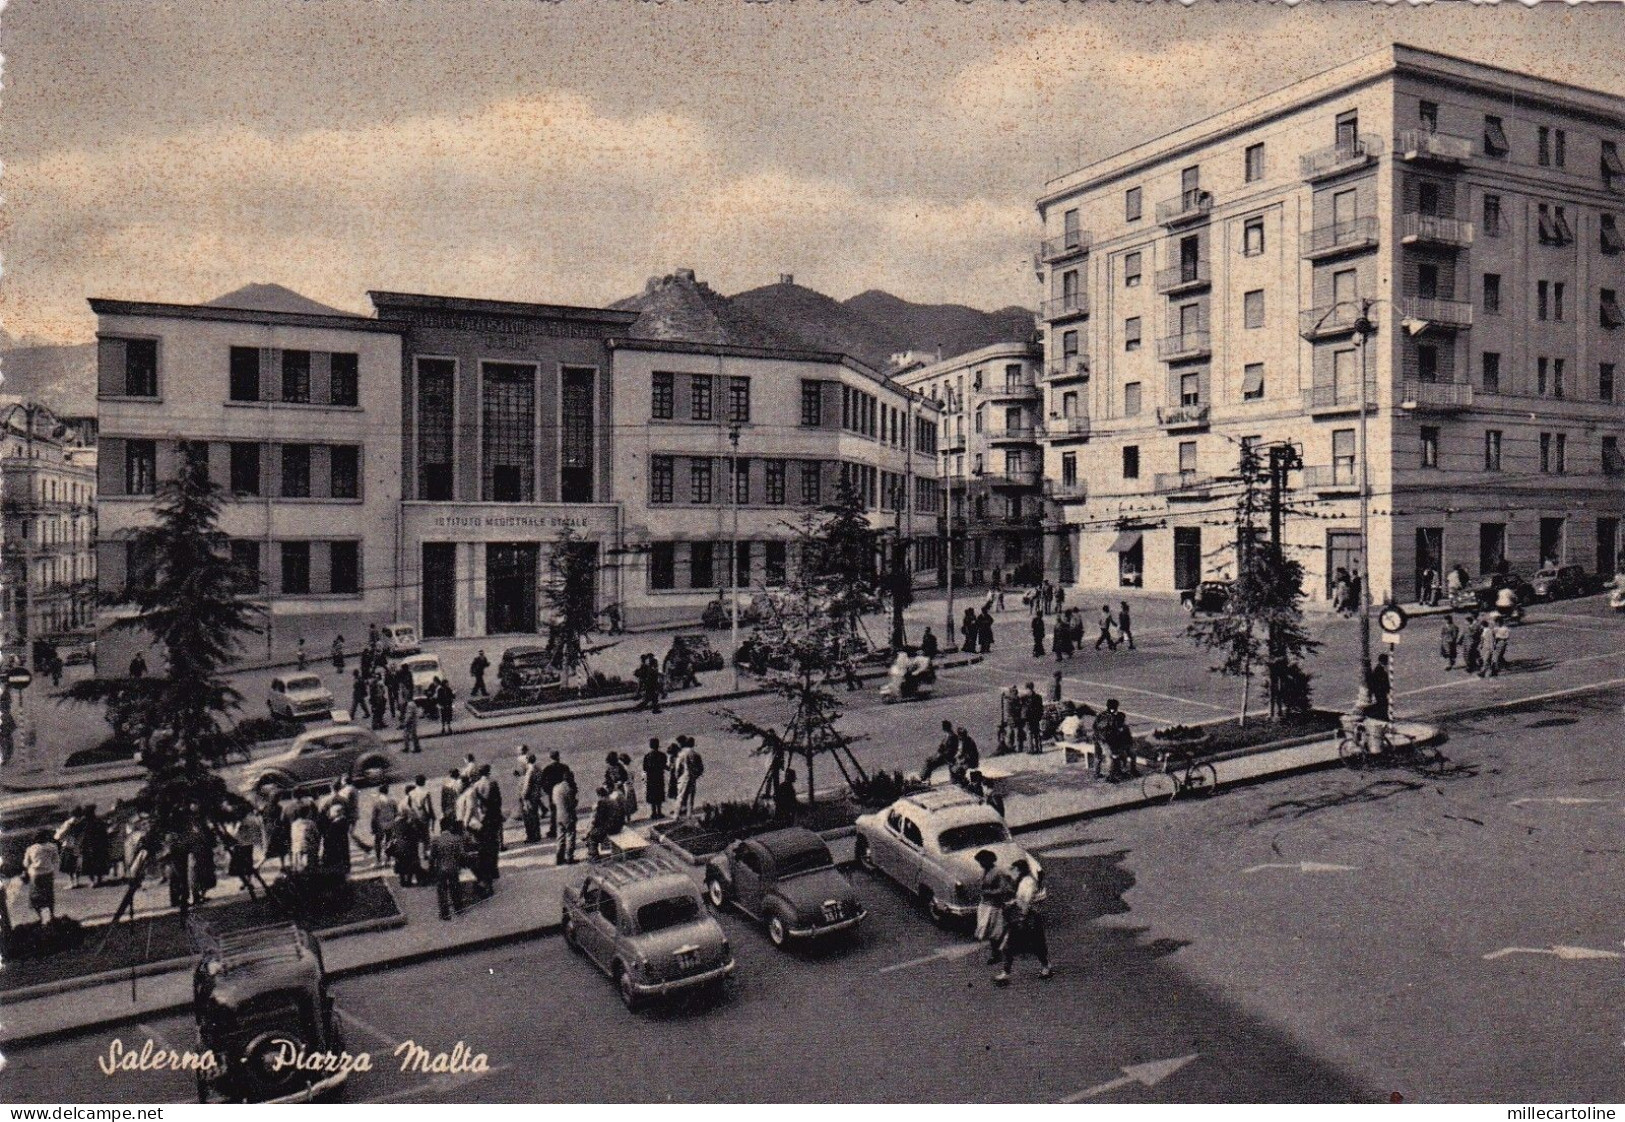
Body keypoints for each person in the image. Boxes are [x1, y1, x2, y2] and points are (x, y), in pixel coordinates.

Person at [993, 859, 1052, 984]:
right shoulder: (1021, 881)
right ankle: (1006, 972)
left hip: (1029, 917)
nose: (1012, 872)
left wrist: (1022, 917)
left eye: (1013, 869)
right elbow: (1020, 898)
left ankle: (1046, 966)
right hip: (1021, 916)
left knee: (1036, 944)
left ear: (1019, 870)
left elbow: (1027, 900)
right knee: (1009, 944)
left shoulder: (1029, 882)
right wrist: (1012, 903)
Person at [974, 850, 1015, 963]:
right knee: (988, 931)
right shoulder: (984, 872)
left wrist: (988, 892)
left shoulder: (998, 872)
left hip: (995, 905)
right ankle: (996, 953)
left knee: (995, 932)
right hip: (984, 905)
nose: (981, 864)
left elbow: (1003, 889)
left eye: (982, 861)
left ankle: (997, 954)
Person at [429, 818, 469, 920]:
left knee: (442, 890)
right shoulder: (456, 839)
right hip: (453, 867)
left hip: (441, 868)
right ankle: (458, 908)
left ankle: (445, 913)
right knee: (455, 887)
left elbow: (432, 857)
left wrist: (431, 869)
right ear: (450, 827)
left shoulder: (435, 840)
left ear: (441, 828)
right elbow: (462, 854)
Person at [22, 829, 61, 923]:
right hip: (48, 873)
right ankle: (51, 916)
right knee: (49, 895)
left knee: (35, 896)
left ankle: (41, 917)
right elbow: (56, 860)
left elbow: (26, 863)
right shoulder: (52, 847)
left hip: (35, 875)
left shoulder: (31, 849)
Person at [586, 786, 626, 862]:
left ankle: (593, 857)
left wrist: (590, 830)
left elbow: (597, 819)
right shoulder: (612, 800)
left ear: (599, 795)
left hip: (611, 828)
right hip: (618, 826)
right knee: (594, 832)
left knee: (591, 836)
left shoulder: (602, 802)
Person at [77, 805, 112, 888]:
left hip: (91, 846)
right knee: (97, 863)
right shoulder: (98, 821)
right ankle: (98, 880)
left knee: (91, 864)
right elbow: (105, 834)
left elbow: (81, 835)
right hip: (97, 845)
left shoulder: (85, 822)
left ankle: (93, 881)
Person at [553, 771, 579, 865]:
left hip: (559, 814)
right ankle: (569, 857)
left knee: (560, 837)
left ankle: (559, 858)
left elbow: (554, 801)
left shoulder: (556, 788)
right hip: (568, 815)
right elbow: (572, 804)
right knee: (570, 836)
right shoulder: (569, 789)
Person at [370, 786, 399, 868]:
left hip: (380, 825)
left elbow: (374, 817)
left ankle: (378, 861)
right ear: (387, 791)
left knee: (377, 842)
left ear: (379, 792)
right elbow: (396, 813)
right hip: (391, 824)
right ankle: (388, 860)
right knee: (389, 841)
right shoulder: (392, 801)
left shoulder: (377, 802)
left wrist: (373, 827)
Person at [676, 737, 704, 816]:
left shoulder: (682, 754)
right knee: (691, 795)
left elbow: (678, 768)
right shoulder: (696, 754)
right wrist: (696, 775)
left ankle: (677, 814)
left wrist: (677, 777)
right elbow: (701, 768)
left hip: (684, 776)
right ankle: (689, 813)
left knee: (681, 796)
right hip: (692, 776)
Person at [643, 738, 669, 819]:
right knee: (659, 794)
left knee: (652, 794)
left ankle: (653, 813)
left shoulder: (647, 756)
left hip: (651, 778)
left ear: (650, 746)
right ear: (658, 745)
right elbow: (665, 766)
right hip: (659, 777)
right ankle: (659, 812)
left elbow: (645, 768)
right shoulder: (662, 755)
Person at [1365, 654, 1392, 721]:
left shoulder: (1380, 669)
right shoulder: (1379, 670)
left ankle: (1384, 716)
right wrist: (1386, 689)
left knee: (1383, 703)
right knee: (1383, 703)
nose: (1387, 662)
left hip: (1380, 691)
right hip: (1380, 691)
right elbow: (1380, 681)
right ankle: (1383, 717)